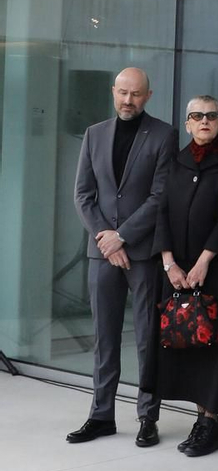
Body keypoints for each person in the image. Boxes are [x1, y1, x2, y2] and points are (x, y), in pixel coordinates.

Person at [68, 66, 175, 446]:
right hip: (103, 254)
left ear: (148, 95)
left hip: (142, 253)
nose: (128, 100)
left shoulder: (164, 135)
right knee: (104, 337)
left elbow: (160, 196)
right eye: (122, 93)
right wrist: (105, 241)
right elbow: (84, 194)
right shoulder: (94, 134)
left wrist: (123, 237)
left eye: (136, 94)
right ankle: (101, 415)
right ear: (114, 92)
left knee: (147, 336)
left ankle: (148, 417)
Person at [154, 96, 218, 457]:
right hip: (177, 272)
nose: (204, 121)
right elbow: (162, 210)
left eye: (211, 116)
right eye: (196, 116)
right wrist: (168, 263)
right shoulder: (177, 160)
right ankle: (199, 419)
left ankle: (211, 421)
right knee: (184, 343)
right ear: (188, 123)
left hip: (215, 268)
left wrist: (206, 259)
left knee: (213, 344)